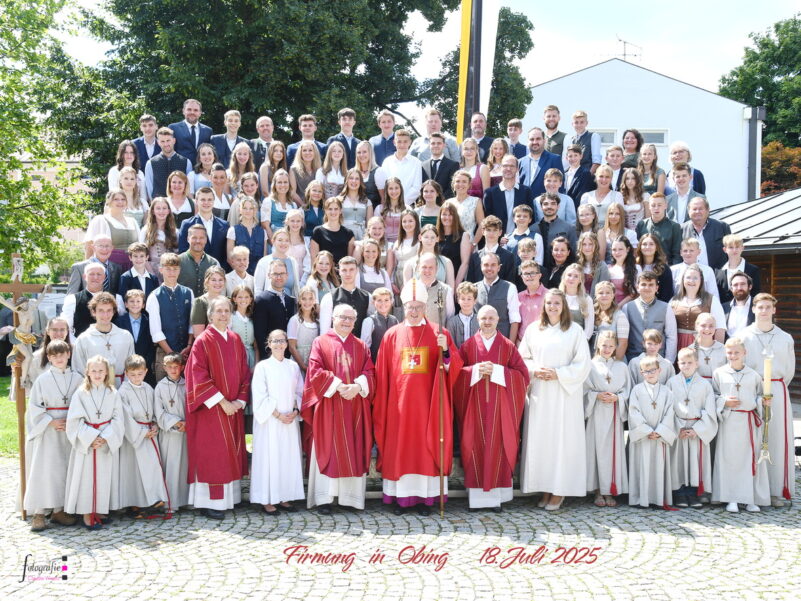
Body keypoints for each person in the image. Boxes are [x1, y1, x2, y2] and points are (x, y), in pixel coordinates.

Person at [373, 279, 462, 515]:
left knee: (425, 450)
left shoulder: (439, 333)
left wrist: (446, 351)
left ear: (425, 307)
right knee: (401, 450)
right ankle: (400, 499)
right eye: (410, 307)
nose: (413, 312)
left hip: (428, 407)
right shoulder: (392, 335)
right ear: (403, 308)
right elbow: (382, 373)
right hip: (399, 407)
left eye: (418, 307)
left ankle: (426, 499)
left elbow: (452, 369)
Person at [519, 288, 592, 511]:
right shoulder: (534, 329)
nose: (552, 307)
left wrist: (559, 374)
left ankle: (559, 490)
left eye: (557, 303)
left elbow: (583, 363)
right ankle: (544, 488)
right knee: (542, 441)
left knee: (562, 441)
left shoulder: (575, 331)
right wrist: (534, 370)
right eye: (549, 303)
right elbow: (522, 358)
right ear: (544, 305)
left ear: (564, 306)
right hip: (540, 392)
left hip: (564, 395)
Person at [454, 305, 529, 512]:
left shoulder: (507, 346)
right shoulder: (469, 345)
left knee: (499, 447)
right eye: (483, 318)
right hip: (474, 409)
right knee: (473, 446)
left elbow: (522, 375)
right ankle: (476, 500)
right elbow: (456, 374)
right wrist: (475, 370)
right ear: (477, 320)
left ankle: (497, 499)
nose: (487, 322)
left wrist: (497, 371)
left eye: (491, 318)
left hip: (500, 410)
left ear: (498, 320)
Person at [302, 304, 376, 513]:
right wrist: (338, 386)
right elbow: (315, 370)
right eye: (343, 317)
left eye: (351, 319)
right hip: (330, 406)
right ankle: (324, 499)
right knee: (328, 448)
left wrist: (358, 386)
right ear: (333, 318)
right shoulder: (321, 342)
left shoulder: (361, 345)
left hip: (354, 407)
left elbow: (370, 372)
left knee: (353, 448)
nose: (346, 322)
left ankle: (350, 499)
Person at [185, 296, 251, 520]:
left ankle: (229, 499)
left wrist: (239, 401)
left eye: (226, 311)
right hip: (211, 409)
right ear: (210, 315)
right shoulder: (202, 341)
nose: (223, 315)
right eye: (219, 311)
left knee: (229, 451)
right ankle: (208, 502)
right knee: (213, 453)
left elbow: (244, 373)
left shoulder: (234, 339)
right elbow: (198, 376)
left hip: (233, 408)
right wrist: (223, 402)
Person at [741, 293, 796, 505]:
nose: (764, 311)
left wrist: (775, 387)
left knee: (776, 440)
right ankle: (751, 490)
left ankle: (775, 490)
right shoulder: (744, 336)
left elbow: (789, 370)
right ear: (753, 309)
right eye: (760, 307)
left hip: (777, 390)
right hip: (752, 388)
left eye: (768, 307)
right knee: (752, 439)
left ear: (774, 310)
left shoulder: (785, 338)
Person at [24, 340, 80, 531]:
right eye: (54, 356)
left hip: (69, 428)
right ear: (48, 357)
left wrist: (72, 420)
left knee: (64, 470)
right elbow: (34, 407)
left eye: (62, 354)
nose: (59, 358)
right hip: (48, 429)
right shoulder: (43, 380)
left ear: (68, 355)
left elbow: (83, 402)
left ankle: (59, 510)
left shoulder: (78, 379)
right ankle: (39, 513)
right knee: (45, 470)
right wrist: (50, 421)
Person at [64, 355, 124, 529]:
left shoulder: (113, 393)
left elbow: (118, 419)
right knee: (86, 478)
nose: (97, 374)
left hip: (105, 441)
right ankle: (86, 513)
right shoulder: (80, 393)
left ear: (106, 373)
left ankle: (99, 510)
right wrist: (91, 438)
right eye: (94, 371)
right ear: (87, 372)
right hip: (87, 443)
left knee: (104, 477)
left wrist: (105, 437)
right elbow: (74, 420)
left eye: (101, 371)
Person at [250, 330, 305, 515]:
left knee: (287, 458)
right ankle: (267, 499)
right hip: (270, 421)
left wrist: (295, 411)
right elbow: (260, 395)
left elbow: (300, 392)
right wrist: (277, 415)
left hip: (289, 421)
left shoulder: (293, 366)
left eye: (282, 341)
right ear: (269, 344)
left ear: (287, 344)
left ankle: (284, 496)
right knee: (270, 458)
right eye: (275, 341)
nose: (279, 344)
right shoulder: (263, 367)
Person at [711, 337, 769, 512]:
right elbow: (713, 397)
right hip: (729, 422)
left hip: (747, 422)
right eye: (729, 352)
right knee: (729, 460)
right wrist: (724, 402)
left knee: (749, 460)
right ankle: (732, 498)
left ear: (745, 353)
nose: (733, 355)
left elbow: (759, 396)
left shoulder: (753, 375)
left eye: (737, 352)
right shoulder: (719, 373)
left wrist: (763, 402)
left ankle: (750, 498)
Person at [117, 355, 169, 517]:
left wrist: (155, 424)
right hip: (134, 437)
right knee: (135, 472)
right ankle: (135, 504)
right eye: (132, 374)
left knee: (151, 468)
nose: (136, 377)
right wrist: (140, 432)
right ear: (126, 373)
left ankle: (153, 499)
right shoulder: (123, 392)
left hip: (149, 433)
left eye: (140, 374)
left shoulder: (148, 388)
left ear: (146, 372)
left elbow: (155, 409)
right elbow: (124, 416)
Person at [585, 331, 630, 508]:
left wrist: (618, 398)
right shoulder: (590, 365)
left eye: (611, 346)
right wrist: (595, 395)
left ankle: (610, 490)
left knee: (612, 452)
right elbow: (583, 390)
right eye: (604, 345)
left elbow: (628, 391)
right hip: (596, 412)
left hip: (614, 414)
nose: (607, 349)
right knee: (597, 450)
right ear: (597, 344)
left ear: (616, 347)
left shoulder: (621, 367)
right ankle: (598, 490)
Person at [668, 347, 718, 509]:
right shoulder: (672, 382)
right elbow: (667, 408)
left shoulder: (705, 384)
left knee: (695, 463)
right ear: (678, 364)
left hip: (697, 429)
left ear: (697, 363)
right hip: (679, 429)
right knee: (678, 462)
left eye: (690, 362)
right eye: (683, 362)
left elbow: (709, 410)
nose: (686, 366)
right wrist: (677, 428)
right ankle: (679, 493)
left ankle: (694, 493)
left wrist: (697, 430)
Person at [627, 356, 677, 509]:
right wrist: (647, 431)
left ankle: (658, 498)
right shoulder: (637, 390)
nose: (650, 374)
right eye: (646, 371)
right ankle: (640, 499)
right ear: (641, 372)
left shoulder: (667, 391)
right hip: (643, 436)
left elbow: (670, 413)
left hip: (659, 436)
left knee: (658, 466)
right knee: (641, 466)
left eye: (653, 370)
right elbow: (633, 412)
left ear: (660, 370)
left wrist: (660, 431)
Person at [146, 253, 194, 382]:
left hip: (187, 352)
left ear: (179, 270)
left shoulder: (188, 292)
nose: (172, 273)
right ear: (161, 270)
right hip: (165, 353)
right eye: (168, 269)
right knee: (166, 388)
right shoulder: (154, 296)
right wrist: (172, 354)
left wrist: (189, 345)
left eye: (175, 269)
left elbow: (192, 323)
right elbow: (156, 332)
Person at [72, 292, 135, 387]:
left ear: (114, 311)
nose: (105, 315)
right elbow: (78, 370)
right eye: (101, 310)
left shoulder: (125, 336)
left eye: (109, 310)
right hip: (94, 388)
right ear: (93, 312)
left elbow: (131, 366)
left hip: (121, 387)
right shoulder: (84, 339)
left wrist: (125, 389)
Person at [153, 353, 189, 512]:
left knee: (186, 467)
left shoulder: (187, 384)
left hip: (186, 432)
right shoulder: (160, 387)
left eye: (176, 367)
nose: (173, 370)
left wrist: (188, 423)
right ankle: (171, 503)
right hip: (169, 433)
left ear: (182, 367)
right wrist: (176, 422)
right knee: (171, 468)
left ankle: (187, 500)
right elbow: (158, 412)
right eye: (170, 367)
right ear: (164, 368)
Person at [622, 272, 678, 363]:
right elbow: (623, 337)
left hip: (658, 361)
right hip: (633, 360)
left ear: (656, 288)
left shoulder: (666, 308)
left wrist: (668, 362)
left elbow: (671, 336)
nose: (647, 288)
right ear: (637, 287)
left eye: (651, 285)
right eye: (643, 284)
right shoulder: (627, 307)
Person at [670, 264, 726, 348]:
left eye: (695, 278)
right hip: (678, 345)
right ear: (683, 280)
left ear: (701, 281)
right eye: (688, 277)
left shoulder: (711, 300)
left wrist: (717, 350)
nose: (691, 281)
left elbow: (720, 328)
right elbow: (668, 329)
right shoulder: (674, 301)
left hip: (703, 346)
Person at [84, 191, 140, 273]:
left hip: (132, 265)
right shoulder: (101, 220)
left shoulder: (132, 221)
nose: (120, 202)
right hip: (111, 267)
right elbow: (89, 245)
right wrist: (88, 268)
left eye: (123, 199)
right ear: (109, 202)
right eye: (116, 199)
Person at [483, 154, 536, 237]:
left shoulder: (526, 191)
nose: (508, 169)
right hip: (497, 240)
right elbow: (487, 221)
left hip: (522, 239)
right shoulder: (490, 193)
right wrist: (499, 238)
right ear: (501, 168)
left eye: (512, 166)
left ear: (517, 169)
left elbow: (531, 218)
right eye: (505, 166)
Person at [252, 260, 296, 359]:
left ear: (287, 275)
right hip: (270, 357)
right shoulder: (261, 300)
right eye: (275, 274)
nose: (279, 277)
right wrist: (270, 356)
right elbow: (260, 334)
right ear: (269, 275)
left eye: (282, 273)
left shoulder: (290, 300)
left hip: (288, 357)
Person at [319, 256, 373, 337]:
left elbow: (370, 328)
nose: (348, 274)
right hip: (336, 344)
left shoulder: (367, 297)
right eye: (344, 270)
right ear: (339, 272)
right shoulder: (329, 297)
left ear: (357, 271)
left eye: (351, 270)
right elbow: (324, 331)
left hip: (360, 344)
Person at [177, 189, 229, 270]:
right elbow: (183, 251)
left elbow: (226, 253)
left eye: (209, 200)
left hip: (219, 273)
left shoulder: (224, 225)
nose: (206, 203)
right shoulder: (187, 224)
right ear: (196, 201)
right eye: (203, 200)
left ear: (214, 201)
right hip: (194, 272)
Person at [115, 289, 155, 383]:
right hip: (125, 366)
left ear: (143, 305)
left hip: (144, 366)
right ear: (126, 304)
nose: (135, 304)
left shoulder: (149, 321)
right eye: (131, 301)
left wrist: (145, 363)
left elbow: (151, 345)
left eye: (138, 301)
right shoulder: (119, 322)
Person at [680, 197, 730, 268]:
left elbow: (730, 252)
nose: (697, 211)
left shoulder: (722, 227)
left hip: (717, 273)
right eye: (694, 209)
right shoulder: (681, 229)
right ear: (688, 211)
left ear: (708, 210)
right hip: (690, 273)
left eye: (700, 209)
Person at [61, 263, 106, 340]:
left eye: (99, 274)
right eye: (91, 274)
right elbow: (66, 328)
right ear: (85, 276)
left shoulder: (116, 299)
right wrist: (77, 344)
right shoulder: (72, 299)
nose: (95, 277)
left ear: (104, 277)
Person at [144, 127, 193, 199]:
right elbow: (149, 187)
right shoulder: (151, 163)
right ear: (158, 142)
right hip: (159, 204)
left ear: (174, 141)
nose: (166, 144)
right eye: (162, 141)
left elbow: (188, 186)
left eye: (168, 140)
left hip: (180, 203)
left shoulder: (186, 162)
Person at [465, 215, 516, 284]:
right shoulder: (475, 257)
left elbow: (510, 283)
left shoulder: (508, 256)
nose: (491, 233)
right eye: (488, 230)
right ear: (483, 231)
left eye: (495, 230)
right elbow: (470, 282)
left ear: (500, 232)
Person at [635, 193, 682, 265]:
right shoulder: (642, 225)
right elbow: (638, 250)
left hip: (667, 267)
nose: (656, 208)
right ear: (649, 206)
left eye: (659, 205)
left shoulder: (674, 227)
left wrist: (672, 270)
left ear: (665, 206)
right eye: (653, 205)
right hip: (645, 267)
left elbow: (677, 254)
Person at [518, 127, 563, 198]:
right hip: (525, 203)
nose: (535, 142)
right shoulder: (520, 162)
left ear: (544, 141)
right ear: (527, 141)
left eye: (538, 139)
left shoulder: (555, 159)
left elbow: (561, 185)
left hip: (547, 203)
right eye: (532, 139)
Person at [177, 224, 221, 297]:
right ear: (188, 239)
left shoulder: (214, 263)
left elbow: (219, 290)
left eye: (201, 238)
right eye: (194, 238)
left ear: (206, 240)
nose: (198, 241)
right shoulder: (178, 261)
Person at [139, 197, 179, 277]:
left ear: (168, 211)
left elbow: (177, 254)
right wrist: (152, 275)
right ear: (153, 211)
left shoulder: (175, 231)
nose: (161, 211)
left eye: (164, 208)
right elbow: (142, 255)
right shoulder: (146, 230)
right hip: (151, 270)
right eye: (158, 208)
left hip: (170, 271)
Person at [716, 234, 761, 303]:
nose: (734, 250)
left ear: (742, 248)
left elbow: (756, 294)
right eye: (731, 247)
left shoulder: (753, 270)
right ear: (725, 249)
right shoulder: (718, 273)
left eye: (737, 247)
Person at [310, 197, 356, 265]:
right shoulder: (317, 231)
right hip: (324, 270)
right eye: (330, 209)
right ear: (325, 210)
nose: (333, 212)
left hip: (342, 270)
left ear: (340, 211)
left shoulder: (349, 233)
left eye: (336, 209)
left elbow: (350, 261)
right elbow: (314, 259)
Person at [382, 129, 422, 205]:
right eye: (399, 141)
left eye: (405, 142)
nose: (402, 145)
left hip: (408, 205)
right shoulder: (387, 162)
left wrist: (402, 203)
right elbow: (384, 184)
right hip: (389, 204)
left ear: (410, 142)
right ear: (394, 142)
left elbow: (417, 187)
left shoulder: (417, 163)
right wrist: (392, 202)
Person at [436, 201, 472, 286]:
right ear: (440, 216)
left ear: (455, 217)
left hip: (455, 281)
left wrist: (455, 285)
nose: (447, 217)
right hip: (437, 282)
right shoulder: (435, 235)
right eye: (444, 214)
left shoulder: (463, 236)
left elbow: (465, 264)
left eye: (450, 215)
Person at [537, 194, 577, 270]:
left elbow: (574, 253)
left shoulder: (569, 228)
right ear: (541, 207)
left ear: (558, 206)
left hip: (562, 271)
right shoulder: (533, 229)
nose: (549, 206)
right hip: (537, 272)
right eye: (545, 204)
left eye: (553, 204)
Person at [168, 98, 212, 165]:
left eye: (195, 110)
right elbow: (169, 151)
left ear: (200, 113)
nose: (192, 112)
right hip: (180, 168)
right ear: (183, 111)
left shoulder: (208, 131)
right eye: (189, 109)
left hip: (201, 168)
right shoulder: (173, 128)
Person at [593, 281, 629, 360]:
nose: (604, 295)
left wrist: (615, 363)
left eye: (608, 293)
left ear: (613, 295)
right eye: (601, 293)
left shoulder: (620, 316)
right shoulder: (592, 314)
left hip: (613, 360)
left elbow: (623, 344)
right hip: (594, 360)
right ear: (596, 295)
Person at [448, 170, 485, 246]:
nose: (460, 184)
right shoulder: (448, 202)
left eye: (464, 182)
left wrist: (474, 243)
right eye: (457, 181)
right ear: (453, 184)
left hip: (468, 244)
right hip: (449, 244)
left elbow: (482, 225)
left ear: (469, 185)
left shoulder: (476, 201)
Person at [287, 286, 321, 371]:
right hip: (298, 364)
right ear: (299, 301)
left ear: (314, 301)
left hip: (313, 363)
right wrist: (303, 367)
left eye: (310, 299)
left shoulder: (317, 322)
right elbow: (292, 347)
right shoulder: (295, 320)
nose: (307, 302)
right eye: (304, 299)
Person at [559, 263, 594, 340]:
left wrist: (581, 342)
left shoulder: (587, 299)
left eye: (576, 276)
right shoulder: (557, 297)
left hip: (578, 341)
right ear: (564, 277)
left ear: (580, 280)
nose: (572, 278)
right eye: (569, 275)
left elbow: (589, 328)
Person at [635, 233, 674, 303]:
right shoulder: (634, 266)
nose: (647, 247)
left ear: (656, 247)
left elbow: (667, 294)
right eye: (644, 244)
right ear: (640, 247)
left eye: (651, 244)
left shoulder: (664, 269)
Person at [421, 132, 459, 199]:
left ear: (444, 145)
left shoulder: (453, 165)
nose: (436, 145)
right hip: (426, 202)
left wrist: (439, 202)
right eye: (433, 143)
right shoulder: (423, 165)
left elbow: (452, 188)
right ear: (429, 145)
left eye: (439, 143)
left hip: (445, 203)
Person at [517, 260, 547, 344]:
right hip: (522, 342)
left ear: (539, 275)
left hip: (542, 342)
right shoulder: (519, 297)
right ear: (522, 277)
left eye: (533, 273)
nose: (529, 276)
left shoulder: (549, 295)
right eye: (526, 274)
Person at [230, 285, 258, 369]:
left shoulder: (253, 318)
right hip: (235, 356)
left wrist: (256, 364)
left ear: (251, 299)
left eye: (246, 297)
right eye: (240, 297)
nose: (243, 300)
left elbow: (256, 346)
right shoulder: (230, 317)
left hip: (251, 357)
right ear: (234, 299)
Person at [608, 235, 640, 308]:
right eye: (614, 249)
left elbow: (635, 293)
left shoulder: (636, 268)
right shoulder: (608, 268)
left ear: (628, 249)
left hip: (629, 308)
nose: (617, 252)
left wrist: (618, 306)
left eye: (620, 249)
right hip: (611, 307)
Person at [577, 232, 610, 298]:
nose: (587, 247)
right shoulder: (577, 265)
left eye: (590, 244)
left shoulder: (602, 266)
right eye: (584, 244)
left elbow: (603, 290)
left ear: (596, 245)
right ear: (580, 246)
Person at [694, 312, 726, 380]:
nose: (707, 329)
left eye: (711, 326)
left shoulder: (724, 349)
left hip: (719, 385)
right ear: (696, 326)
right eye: (703, 325)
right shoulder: (691, 350)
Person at [446, 281, 479, 349]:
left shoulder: (479, 321)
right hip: (457, 355)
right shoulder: (452, 323)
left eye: (469, 299)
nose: (466, 302)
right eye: (463, 299)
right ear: (458, 300)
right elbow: (451, 346)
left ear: (475, 301)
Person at [355, 140, 387, 208]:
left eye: (364, 152)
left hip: (374, 211)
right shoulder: (354, 172)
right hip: (357, 211)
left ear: (370, 153)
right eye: (359, 152)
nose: (361, 155)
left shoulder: (378, 172)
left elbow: (383, 199)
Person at [289, 141, 322, 206]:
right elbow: (292, 192)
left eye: (310, 150)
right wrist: (303, 205)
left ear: (315, 152)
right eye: (304, 150)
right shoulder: (293, 169)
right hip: (300, 207)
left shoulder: (319, 169)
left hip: (317, 206)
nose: (307, 153)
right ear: (300, 153)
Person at [564, 144, 596, 209]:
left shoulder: (585, 173)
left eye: (576, 155)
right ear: (566, 158)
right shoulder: (564, 173)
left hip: (577, 208)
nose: (573, 158)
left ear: (581, 156)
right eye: (570, 156)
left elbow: (582, 194)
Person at [723, 272, 755, 337]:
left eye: (742, 284)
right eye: (735, 285)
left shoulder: (758, 306)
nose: (739, 288)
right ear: (731, 288)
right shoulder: (723, 308)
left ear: (750, 286)